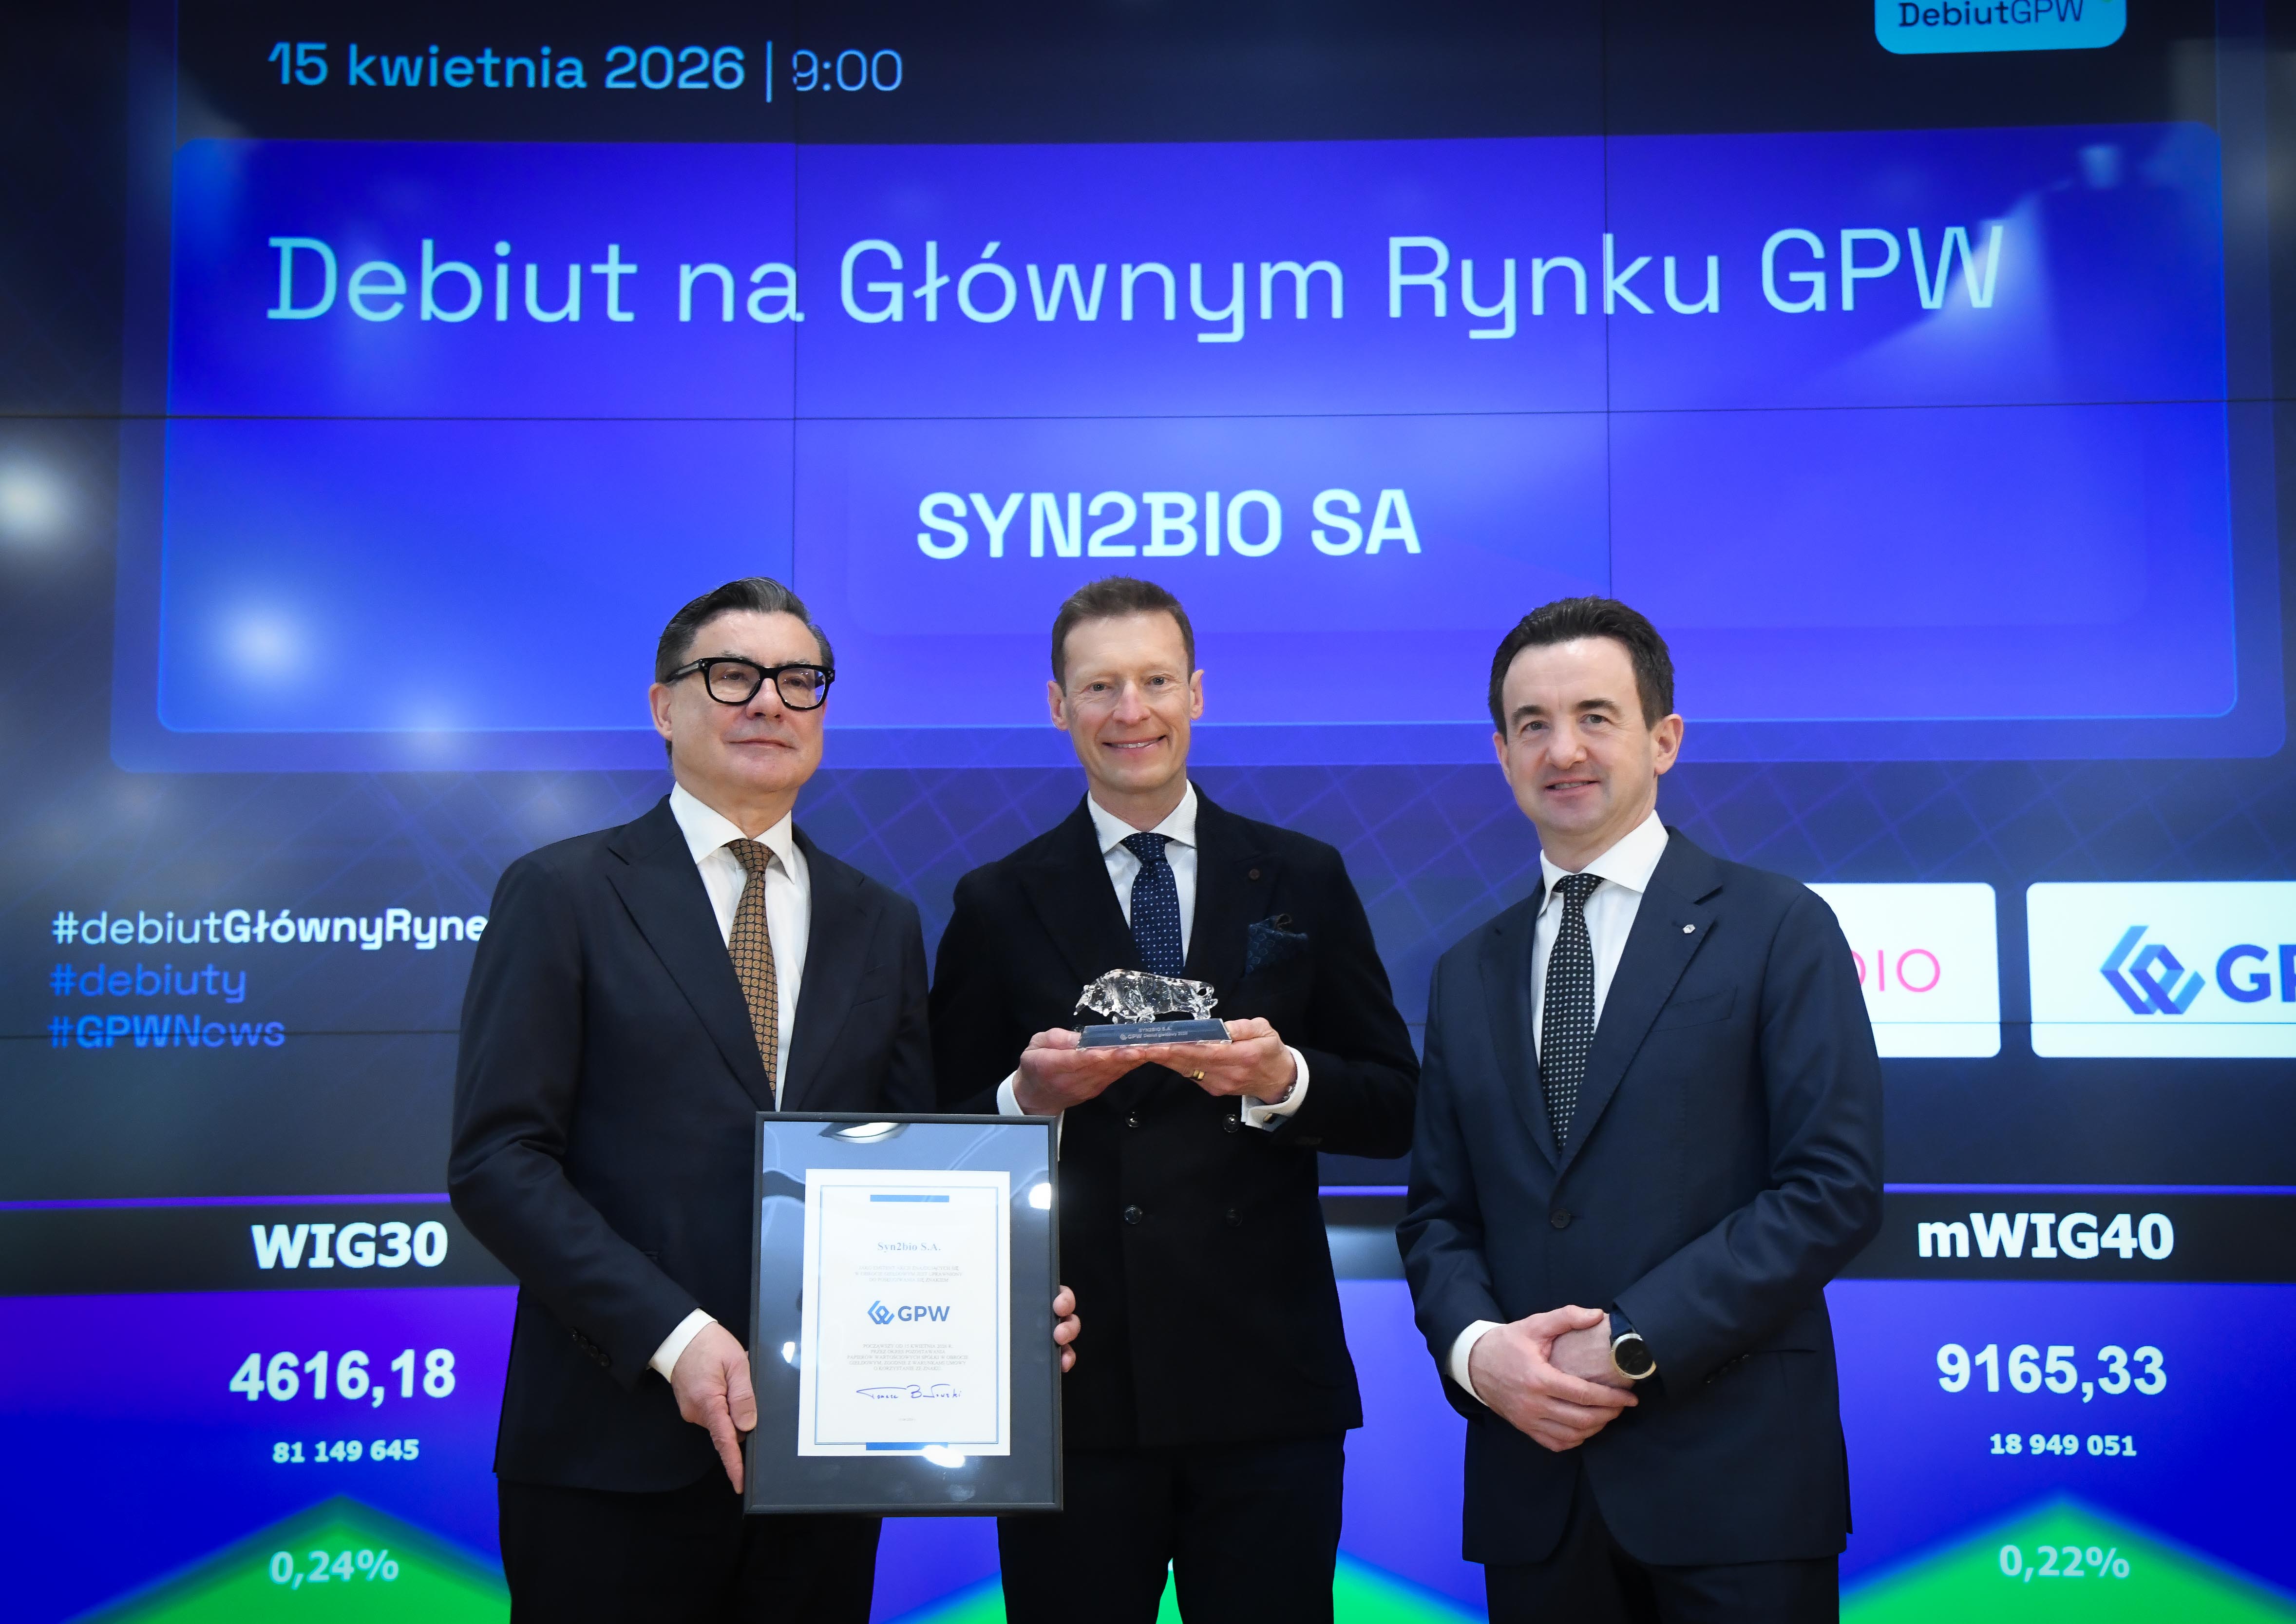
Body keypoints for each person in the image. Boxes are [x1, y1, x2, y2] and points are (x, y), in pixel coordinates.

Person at [449, 577, 1079, 1623]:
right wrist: (674, 1334)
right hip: (612, 1450)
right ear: (664, 706)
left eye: (799, 680)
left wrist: (999, 1306)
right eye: (732, 675)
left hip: (821, 1463)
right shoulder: (563, 892)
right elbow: (498, 1159)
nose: (769, 702)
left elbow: (908, 1166)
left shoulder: (878, 919)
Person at [929, 576, 1419, 1623]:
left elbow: (1396, 1106)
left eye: (1155, 681)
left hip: (1266, 1386)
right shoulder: (996, 899)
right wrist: (1025, 1098)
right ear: (1057, 705)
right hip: (1072, 1386)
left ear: (1196, 692)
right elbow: (937, 1137)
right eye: (1099, 685)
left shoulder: (1302, 876)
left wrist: (1283, 1082)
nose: (1130, 710)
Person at [1397, 597, 1882, 1622]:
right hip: (1537, 1492)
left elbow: (1830, 1187)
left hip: (1738, 1491)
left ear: (1664, 738)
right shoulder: (1465, 971)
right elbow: (1439, 1215)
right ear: (1501, 753)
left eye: (1595, 716)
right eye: (1532, 723)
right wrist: (1480, 1354)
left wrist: (1630, 1339)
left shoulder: (1778, 926)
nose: (1563, 749)